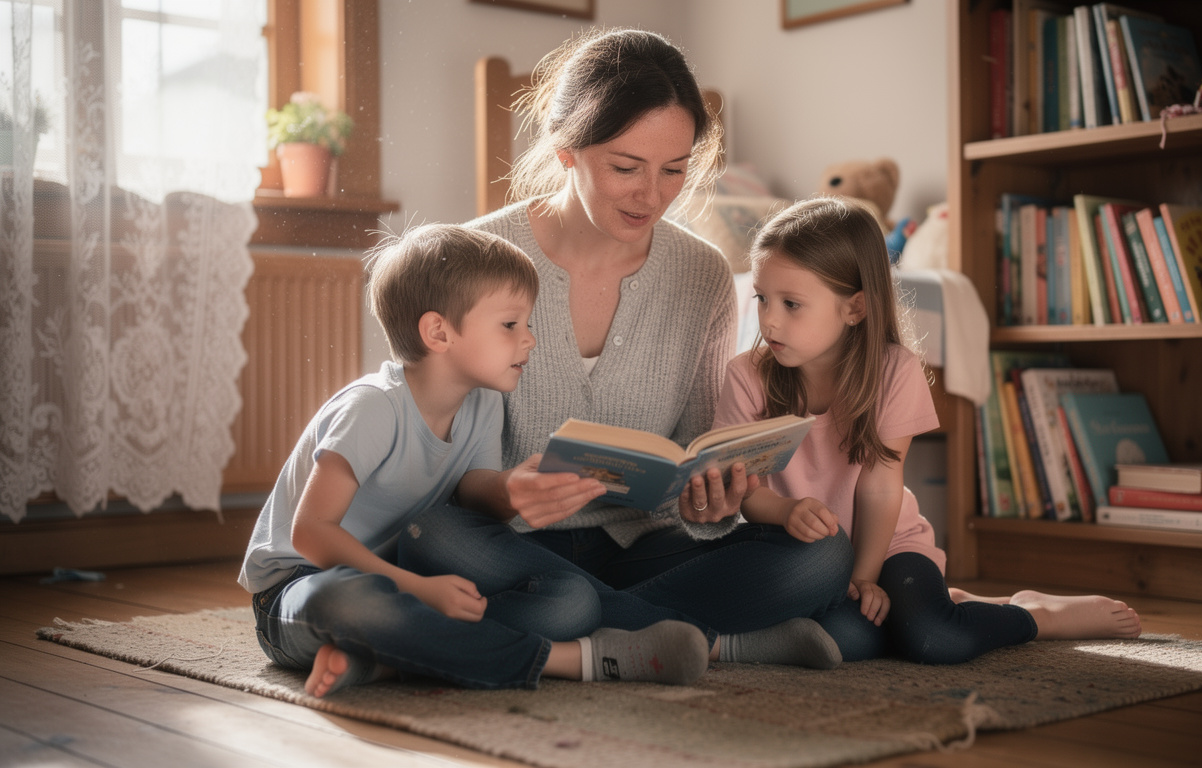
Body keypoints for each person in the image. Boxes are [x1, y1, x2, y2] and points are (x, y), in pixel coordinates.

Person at [404, 28, 852, 667]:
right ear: (566, 151)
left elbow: (698, 448)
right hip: (507, 542)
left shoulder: (700, 274)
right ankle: (715, 641)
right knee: (431, 536)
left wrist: (712, 500)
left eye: (675, 170)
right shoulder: (472, 259)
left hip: (642, 547)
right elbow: (422, 462)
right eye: (625, 167)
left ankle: (589, 628)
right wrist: (508, 493)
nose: (653, 195)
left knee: (824, 555)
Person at [238, 224, 710, 698]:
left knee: (570, 603)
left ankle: (388, 661)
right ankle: (574, 661)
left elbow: (475, 488)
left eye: (528, 324)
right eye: (511, 325)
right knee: (348, 601)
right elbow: (311, 534)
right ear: (439, 332)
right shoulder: (371, 408)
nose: (529, 341)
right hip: (300, 586)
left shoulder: (482, 402)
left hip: (404, 581)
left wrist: (517, 485)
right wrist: (417, 590)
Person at [713, 196, 1143, 662]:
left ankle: (1036, 613)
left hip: (889, 545)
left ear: (854, 308)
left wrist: (865, 577)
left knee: (937, 639)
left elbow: (879, 487)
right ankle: (942, 600)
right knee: (849, 639)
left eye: (791, 304)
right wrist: (785, 510)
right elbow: (746, 487)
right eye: (762, 298)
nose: (769, 319)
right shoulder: (746, 375)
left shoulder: (894, 370)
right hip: (801, 554)